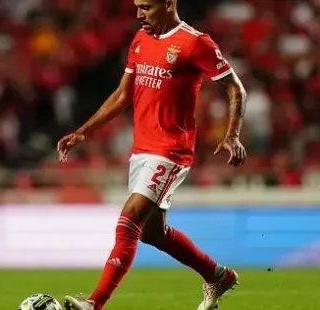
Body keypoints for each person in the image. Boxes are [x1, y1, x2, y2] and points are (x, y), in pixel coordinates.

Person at [57, 0, 247, 309]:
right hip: (141, 150)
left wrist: (232, 134)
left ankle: (93, 304)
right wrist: (84, 130)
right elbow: (123, 94)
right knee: (151, 234)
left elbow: (235, 87)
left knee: (129, 217)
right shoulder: (140, 39)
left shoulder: (195, 42)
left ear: (169, 3)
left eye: (145, 7)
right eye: (136, 6)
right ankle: (218, 276)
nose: (138, 14)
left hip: (171, 149)